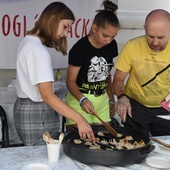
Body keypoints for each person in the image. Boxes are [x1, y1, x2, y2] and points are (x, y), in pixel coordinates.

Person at [13, 1, 95, 146]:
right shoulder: (38, 50)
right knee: (45, 158)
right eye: (65, 27)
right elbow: (47, 95)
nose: (65, 34)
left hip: (25, 108)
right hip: (37, 113)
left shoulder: (28, 41)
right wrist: (79, 119)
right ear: (52, 19)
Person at [112, 9, 170, 137]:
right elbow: (118, 79)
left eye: (160, 37)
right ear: (144, 28)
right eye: (150, 36)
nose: (155, 42)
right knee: (135, 145)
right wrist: (122, 98)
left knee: (165, 147)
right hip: (135, 105)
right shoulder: (132, 46)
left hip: (165, 107)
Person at [65, 0, 119, 129]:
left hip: (102, 100)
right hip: (80, 99)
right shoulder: (80, 48)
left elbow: (106, 75)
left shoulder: (112, 45)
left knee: (103, 141)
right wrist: (82, 99)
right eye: (105, 36)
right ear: (94, 28)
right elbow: (70, 82)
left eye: (112, 37)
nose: (108, 41)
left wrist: (111, 99)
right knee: (81, 142)